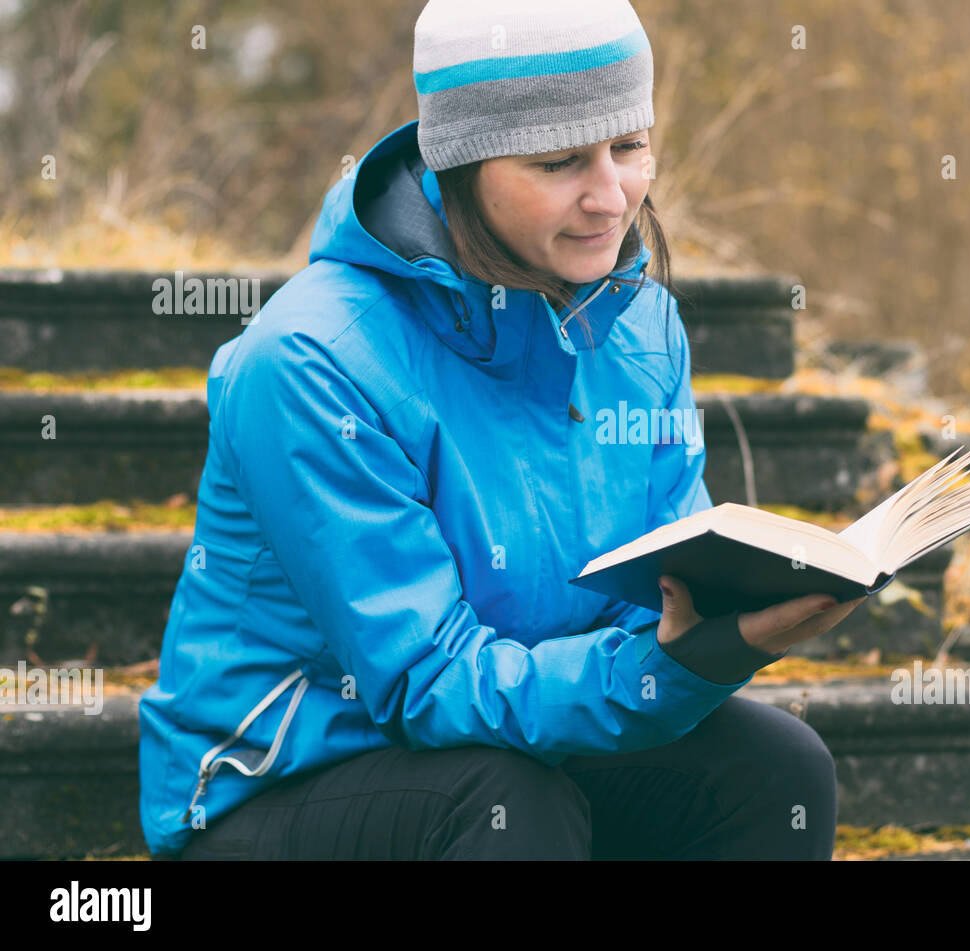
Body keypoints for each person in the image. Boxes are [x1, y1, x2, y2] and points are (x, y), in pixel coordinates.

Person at [139, 0, 867, 861]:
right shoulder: (309, 360)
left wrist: (716, 632)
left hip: (524, 750)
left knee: (775, 766)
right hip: (284, 787)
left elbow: (661, 588)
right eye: (560, 161)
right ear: (459, 164)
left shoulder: (642, 327)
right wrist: (670, 667)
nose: (611, 197)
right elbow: (424, 681)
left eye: (629, 146)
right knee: (505, 800)